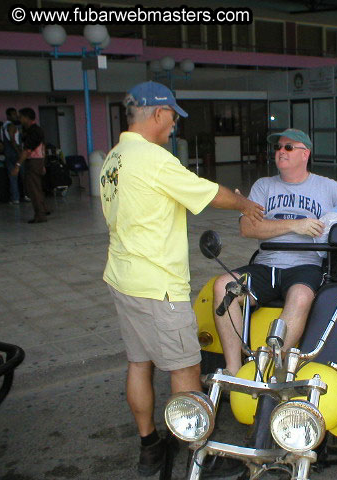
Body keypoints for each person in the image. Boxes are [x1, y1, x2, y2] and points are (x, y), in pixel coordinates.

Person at [100, 81, 264, 477]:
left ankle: (149, 447)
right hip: (159, 286)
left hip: (123, 278)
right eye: (173, 116)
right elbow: (208, 194)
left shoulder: (114, 157)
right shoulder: (153, 159)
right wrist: (245, 203)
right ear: (157, 114)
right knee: (186, 370)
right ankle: (197, 454)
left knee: (139, 364)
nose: (174, 124)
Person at [213, 128, 337, 375]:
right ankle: (234, 371)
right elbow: (247, 227)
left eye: (288, 147)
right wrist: (294, 225)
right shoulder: (263, 186)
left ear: (305, 153)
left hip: (305, 264)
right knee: (223, 286)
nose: (280, 152)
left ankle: (267, 370)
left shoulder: (327, 187)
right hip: (266, 264)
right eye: (277, 147)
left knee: (300, 296)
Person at [17, 107, 48, 223]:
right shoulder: (35, 130)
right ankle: (43, 209)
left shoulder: (33, 131)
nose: (20, 120)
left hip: (34, 162)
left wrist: (17, 165)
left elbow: (27, 149)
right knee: (37, 187)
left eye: (21, 117)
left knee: (33, 189)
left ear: (26, 118)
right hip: (39, 161)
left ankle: (40, 215)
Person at [1, 108, 21, 205]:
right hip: (14, 152)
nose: (16, 116)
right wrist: (19, 152)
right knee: (21, 174)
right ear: (8, 116)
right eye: (13, 114)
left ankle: (14, 197)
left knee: (12, 175)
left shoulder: (3, 126)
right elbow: (13, 140)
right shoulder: (11, 126)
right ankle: (19, 196)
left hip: (7, 152)